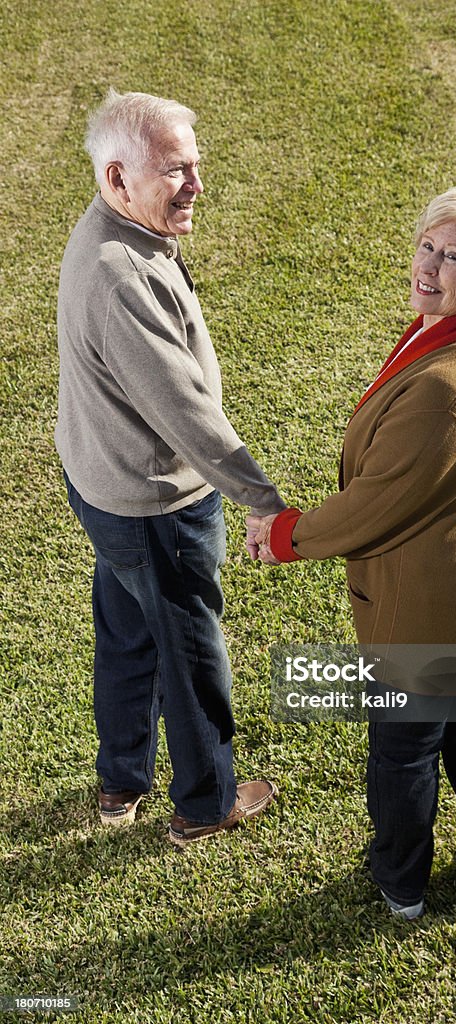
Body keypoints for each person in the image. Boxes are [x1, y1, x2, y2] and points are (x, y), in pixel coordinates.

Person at [248, 186, 456, 920]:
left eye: (455, 257)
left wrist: (286, 535)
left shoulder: (448, 387)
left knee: (406, 748)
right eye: (427, 246)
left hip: (434, 605)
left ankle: (401, 884)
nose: (431, 267)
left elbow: (379, 500)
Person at [55, 89, 282, 845]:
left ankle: (121, 781)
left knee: (127, 635)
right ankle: (207, 800)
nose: (196, 185)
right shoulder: (125, 275)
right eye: (174, 171)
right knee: (188, 654)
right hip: (154, 506)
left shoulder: (104, 233)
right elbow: (184, 412)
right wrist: (261, 498)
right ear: (118, 179)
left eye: (196, 165)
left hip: (103, 486)